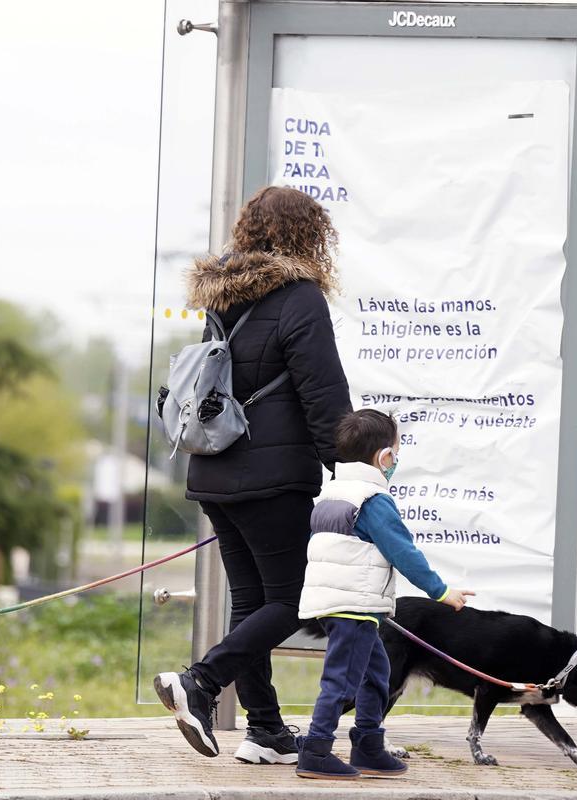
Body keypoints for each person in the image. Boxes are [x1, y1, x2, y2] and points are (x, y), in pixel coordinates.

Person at [153, 186, 352, 763]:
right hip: (272, 477)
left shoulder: (226, 297)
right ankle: (201, 682)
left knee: (252, 600)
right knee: (292, 601)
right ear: (308, 235)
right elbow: (324, 395)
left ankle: (264, 729)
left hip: (215, 471)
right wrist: (352, 471)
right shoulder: (301, 298)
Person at [295, 409, 474, 780]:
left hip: (338, 603)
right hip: (354, 606)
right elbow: (403, 552)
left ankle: (369, 746)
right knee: (341, 680)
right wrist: (440, 592)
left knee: (378, 673)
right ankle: (315, 750)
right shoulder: (372, 500)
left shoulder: (331, 493)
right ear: (384, 458)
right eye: (396, 452)